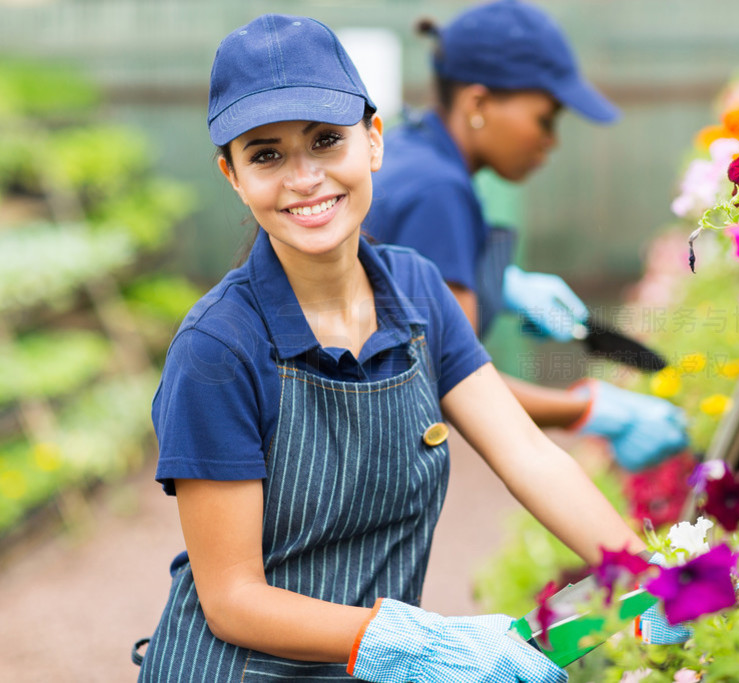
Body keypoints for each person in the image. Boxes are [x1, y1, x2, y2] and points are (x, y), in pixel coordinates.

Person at [135, 13, 652, 683]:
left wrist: (649, 576)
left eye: (326, 141)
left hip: (367, 665)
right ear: (232, 175)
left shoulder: (416, 290)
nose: (304, 177)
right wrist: (415, 641)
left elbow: (526, 454)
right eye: (266, 154)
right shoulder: (218, 349)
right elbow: (233, 597)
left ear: (373, 140)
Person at [364, 0, 688, 473]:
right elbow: (446, 382)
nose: (551, 140)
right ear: (478, 103)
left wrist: (501, 284)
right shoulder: (440, 191)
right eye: (546, 119)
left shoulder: (413, 148)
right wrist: (587, 410)